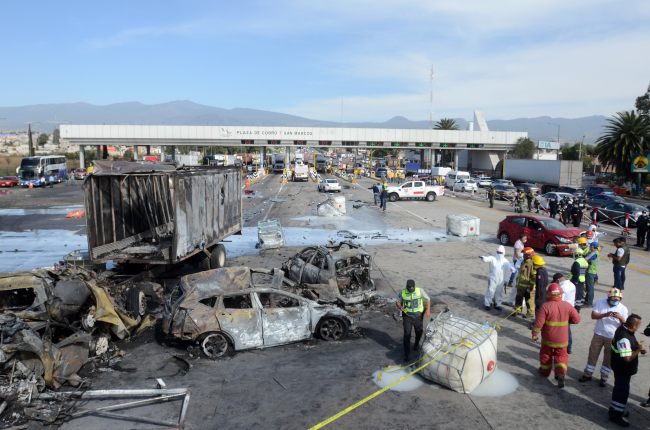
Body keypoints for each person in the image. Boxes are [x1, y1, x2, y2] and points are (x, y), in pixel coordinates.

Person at [532, 283, 581, 389]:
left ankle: (545, 372)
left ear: (549, 294)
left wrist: (534, 334)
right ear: (560, 294)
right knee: (562, 356)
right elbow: (577, 319)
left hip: (548, 339)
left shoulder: (545, 306)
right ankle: (560, 374)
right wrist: (569, 320)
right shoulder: (567, 305)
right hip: (562, 339)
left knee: (546, 354)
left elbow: (538, 323)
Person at [579, 288, 627, 387]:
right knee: (592, 354)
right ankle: (588, 374)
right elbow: (593, 315)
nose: (614, 301)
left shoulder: (623, 309)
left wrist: (620, 318)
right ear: (608, 298)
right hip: (599, 334)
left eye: (617, 300)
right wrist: (605, 314)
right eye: (612, 299)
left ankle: (604, 378)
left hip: (612, 337)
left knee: (609, 359)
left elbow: (626, 325)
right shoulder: (600, 302)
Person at [609, 314, 646, 426]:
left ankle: (618, 410)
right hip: (622, 369)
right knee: (621, 392)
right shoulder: (624, 338)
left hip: (621, 368)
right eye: (639, 325)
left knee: (620, 390)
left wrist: (636, 347)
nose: (639, 327)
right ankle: (615, 415)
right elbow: (628, 358)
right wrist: (638, 350)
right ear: (634, 325)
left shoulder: (624, 329)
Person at [396, 280, 430, 361]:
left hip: (418, 315)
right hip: (407, 316)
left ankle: (416, 344)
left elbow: (427, 299)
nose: (411, 292)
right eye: (409, 290)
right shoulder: (402, 292)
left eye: (412, 290)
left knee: (419, 331)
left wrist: (428, 310)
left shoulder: (420, 290)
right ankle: (407, 354)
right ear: (406, 287)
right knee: (407, 334)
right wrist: (400, 307)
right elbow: (398, 301)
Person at [479, 245, 512, 311]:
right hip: (493, 278)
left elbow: (507, 272)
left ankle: (497, 304)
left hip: (501, 279)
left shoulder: (506, 262)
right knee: (490, 290)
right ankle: (487, 304)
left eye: (500, 253)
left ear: (503, 253)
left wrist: (506, 280)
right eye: (498, 252)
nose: (499, 254)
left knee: (499, 292)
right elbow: (487, 259)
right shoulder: (493, 258)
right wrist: (483, 258)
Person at [552, 273, 577, 354]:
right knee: (568, 329)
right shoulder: (572, 284)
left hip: (562, 310)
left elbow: (559, 300)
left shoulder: (562, 287)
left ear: (558, 280)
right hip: (571, 308)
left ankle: (557, 346)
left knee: (558, 329)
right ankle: (569, 347)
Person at [504, 234, 527, 305]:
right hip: (517, 262)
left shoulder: (521, 244)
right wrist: (519, 259)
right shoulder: (517, 243)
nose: (526, 240)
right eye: (525, 238)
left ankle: (514, 302)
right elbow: (517, 252)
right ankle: (511, 282)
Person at [515, 247, 536, 317]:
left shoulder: (531, 265)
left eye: (524, 254)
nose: (523, 256)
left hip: (527, 287)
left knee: (529, 301)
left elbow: (534, 277)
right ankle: (517, 311)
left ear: (529, 255)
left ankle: (530, 313)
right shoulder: (523, 262)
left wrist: (531, 287)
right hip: (520, 285)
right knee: (518, 298)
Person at [570, 240, 589, 307]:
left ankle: (575, 307)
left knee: (575, 293)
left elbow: (577, 271)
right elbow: (586, 271)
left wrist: (576, 280)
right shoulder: (585, 261)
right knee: (579, 293)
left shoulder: (577, 261)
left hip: (576, 280)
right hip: (582, 279)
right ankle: (578, 306)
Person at [583, 242, 600, 307]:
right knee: (590, 287)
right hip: (592, 271)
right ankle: (588, 301)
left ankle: (588, 303)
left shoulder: (593, 253)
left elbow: (585, 259)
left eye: (590, 246)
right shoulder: (596, 253)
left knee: (589, 288)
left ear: (592, 246)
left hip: (590, 271)